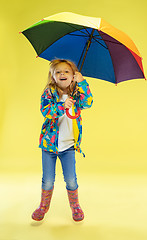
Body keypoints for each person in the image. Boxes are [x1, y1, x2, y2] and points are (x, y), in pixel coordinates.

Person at [32, 59, 93, 222]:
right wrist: (62, 105)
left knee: (71, 179)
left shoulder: (77, 93)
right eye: (58, 71)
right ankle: (43, 207)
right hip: (49, 146)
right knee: (48, 180)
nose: (62, 74)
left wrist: (84, 83)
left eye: (67, 71)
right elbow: (46, 111)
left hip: (69, 147)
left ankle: (75, 207)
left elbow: (88, 103)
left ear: (74, 76)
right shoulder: (49, 92)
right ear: (53, 76)